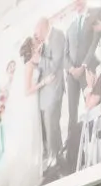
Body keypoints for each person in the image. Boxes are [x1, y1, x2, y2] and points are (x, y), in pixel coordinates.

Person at [0, 37, 52, 186]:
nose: (39, 53)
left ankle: (31, 170)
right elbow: (27, 91)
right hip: (29, 105)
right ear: (30, 52)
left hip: (31, 106)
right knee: (26, 142)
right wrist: (44, 82)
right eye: (37, 51)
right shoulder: (28, 66)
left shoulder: (32, 66)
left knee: (31, 140)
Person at [64, 0, 96, 170]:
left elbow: (94, 44)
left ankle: (88, 150)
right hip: (71, 75)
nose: (76, 3)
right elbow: (65, 53)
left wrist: (83, 66)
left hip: (86, 70)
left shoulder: (93, 15)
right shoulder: (70, 26)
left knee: (89, 109)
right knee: (72, 113)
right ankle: (72, 153)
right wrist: (70, 69)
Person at [35, 16, 66, 171]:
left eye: (38, 30)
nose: (37, 34)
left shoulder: (58, 35)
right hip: (46, 91)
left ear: (44, 27)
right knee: (52, 125)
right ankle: (58, 155)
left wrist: (39, 59)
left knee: (51, 123)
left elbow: (55, 63)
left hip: (55, 88)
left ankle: (54, 158)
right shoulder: (44, 43)